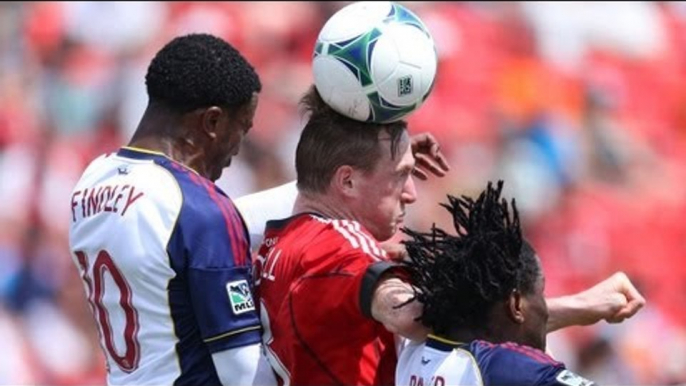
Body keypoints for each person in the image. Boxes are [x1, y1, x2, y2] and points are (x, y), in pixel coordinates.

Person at [253, 88, 644, 386]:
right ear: (348, 180)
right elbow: (408, 312)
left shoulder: (283, 240)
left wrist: (576, 306)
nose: (411, 193)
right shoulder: (339, 247)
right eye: (401, 175)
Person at [68, 33, 276, 386]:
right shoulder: (199, 207)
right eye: (242, 128)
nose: (239, 148)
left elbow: (185, 234)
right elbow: (244, 376)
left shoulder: (90, 180)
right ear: (212, 123)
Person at [396, 181, 644, 386]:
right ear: (515, 303)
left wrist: (580, 306)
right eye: (541, 293)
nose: (545, 309)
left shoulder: (412, 350)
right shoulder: (503, 367)